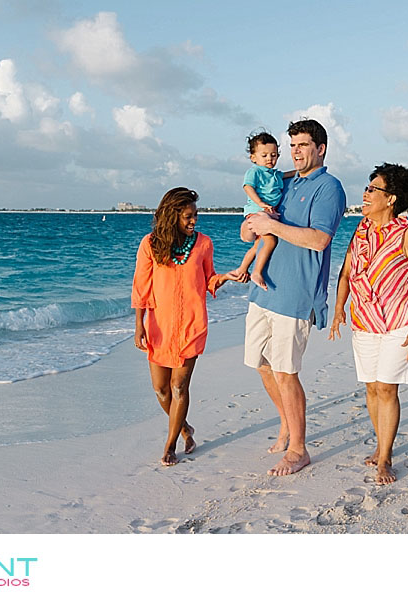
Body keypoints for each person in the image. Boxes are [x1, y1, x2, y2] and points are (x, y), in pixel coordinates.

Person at [242, 118, 346, 476]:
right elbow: (251, 230)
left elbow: (319, 239)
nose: (296, 151)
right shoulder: (282, 182)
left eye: (303, 145)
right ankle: (286, 424)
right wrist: (251, 226)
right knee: (262, 364)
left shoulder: (329, 188)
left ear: (321, 148)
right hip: (262, 291)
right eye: (293, 145)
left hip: (296, 294)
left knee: (286, 372)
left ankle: (299, 449)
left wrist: (272, 226)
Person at [328, 163, 408, 484]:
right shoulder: (360, 230)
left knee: (387, 388)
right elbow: (346, 273)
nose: (366, 193)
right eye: (367, 187)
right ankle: (380, 444)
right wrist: (339, 308)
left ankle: (385, 457)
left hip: (399, 322)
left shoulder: (407, 235)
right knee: (372, 388)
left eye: (373, 189)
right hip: (364, 322)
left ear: (391, 199)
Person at [132, 187, 243, 466]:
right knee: (161, 390)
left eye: (195, 215)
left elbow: (208, 280)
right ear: (172, 216)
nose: (194, 221)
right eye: (188, 216)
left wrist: (225, 277)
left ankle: (170, 446)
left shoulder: (203, 244)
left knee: (179, 386)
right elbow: (141, 287)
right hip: (159, 325)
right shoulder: (150, 244)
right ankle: (184, 428)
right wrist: (139, 325)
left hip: (192, 324)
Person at [235, 131, 294, 290]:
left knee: (257, 246)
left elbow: (289, 174)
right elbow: (248, 187)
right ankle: (257, 272)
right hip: (258, 211)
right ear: (253, 158)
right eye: (264, 155)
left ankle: (242, 269)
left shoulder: (275, 174)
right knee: (270, 241)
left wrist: (303, 171)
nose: (269, 159)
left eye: (273, 155)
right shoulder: (255, 171)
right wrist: (261, 203)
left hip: (267, 213)